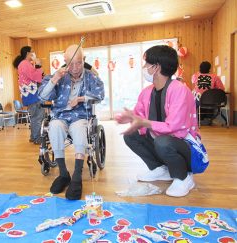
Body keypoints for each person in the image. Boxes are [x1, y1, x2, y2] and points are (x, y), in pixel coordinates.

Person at [115, 45, 208, 197]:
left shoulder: (180, 90)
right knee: (131, 136)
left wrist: (144, 122)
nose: (144, 67)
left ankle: (184, 177)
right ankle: (160, 169)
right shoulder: (147, 92)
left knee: (163, 141)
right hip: (163, 142)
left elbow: (174, 127)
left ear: (156, 67)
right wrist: (130, 117)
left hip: (186, 147)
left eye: (146, 64)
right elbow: (140, 115)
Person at [38, 44, 104, 200]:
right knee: (54, 127)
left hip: (80, 115)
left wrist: (81, 99)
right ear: (65, 61)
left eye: (79, 62)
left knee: (80, 129)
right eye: (71, 63)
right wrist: (55, 79)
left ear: (84, 60)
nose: (75, 67)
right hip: (60, 115)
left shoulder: (91, 76)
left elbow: (100, 95)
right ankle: (63, 173)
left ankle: (76, 176)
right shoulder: (58, 76)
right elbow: (42, 96)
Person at [13, 46, 44, 144]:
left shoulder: (24, 64)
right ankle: (37, 138)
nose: (34, 54)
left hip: (29, 95)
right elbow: (36, 77)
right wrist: (38, 66)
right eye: (32, 52)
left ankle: (33, 136)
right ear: (28, 54)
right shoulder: (25, 64)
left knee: (35, 117)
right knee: (38, 117)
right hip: (32, 95)